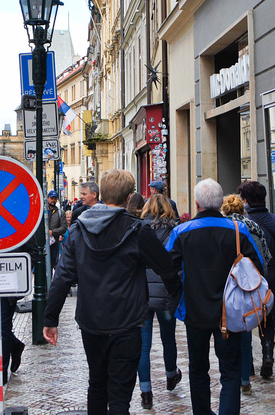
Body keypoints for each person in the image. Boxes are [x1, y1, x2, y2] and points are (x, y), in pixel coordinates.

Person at [44, 169, 180, 415]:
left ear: (101, 195)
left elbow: (63, 276)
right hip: (126, 322)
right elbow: (167, 269)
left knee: (96, 384)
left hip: (92, 321)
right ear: (129, 198)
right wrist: (176, 297)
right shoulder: (138, 231)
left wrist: (50, 318)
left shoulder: (77, 230)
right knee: (119, 396)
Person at [166, 178, 265, 415]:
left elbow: (166, 269)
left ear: (197, 203)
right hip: (230, 313)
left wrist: (179, 294)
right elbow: (259, 267)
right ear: (220, 203)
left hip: (195, 310)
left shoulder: (181, 232)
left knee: (198, 368)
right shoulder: (239, 231)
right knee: (230, 371)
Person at [136, 192, 183, 409]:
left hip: (143, 291)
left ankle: (146, 392)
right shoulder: (175, 230)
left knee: (143, 345)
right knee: (168, 337)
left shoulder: (138, 229)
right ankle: (171, 375)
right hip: (166, 289)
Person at [239, 181, 275, 381]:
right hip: (272, 275)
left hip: (249, 277)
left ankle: (249, 362)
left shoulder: (242, 222)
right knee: (267, 317)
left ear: (245, 200)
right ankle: (268, 354)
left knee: (247, 317)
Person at [221, 193, 270, 392]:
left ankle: (230, 375)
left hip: (226, 288)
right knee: (245, 333)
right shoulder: (254, 228)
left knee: (226, 331)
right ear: (243, 209)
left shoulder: (221, 228)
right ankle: (244, 379)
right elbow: (264, 258)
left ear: (225, 210)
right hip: (247, 287)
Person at [0, 235, 39, 389]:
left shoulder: (20, 224)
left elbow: (32, 252)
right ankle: (15, 346)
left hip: (9, 284)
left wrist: (20, 271)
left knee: (3, 327)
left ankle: (0, 373)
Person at [46, 190, 67, 275]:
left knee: (50, 264)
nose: (53, 200)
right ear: (47, 198)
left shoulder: (60, 212)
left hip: (54, 243)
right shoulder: (42, 210)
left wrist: (52, 232)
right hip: (42, 243)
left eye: (55, 198)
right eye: (51, 198)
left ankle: (49, 284)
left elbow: (63, 228)